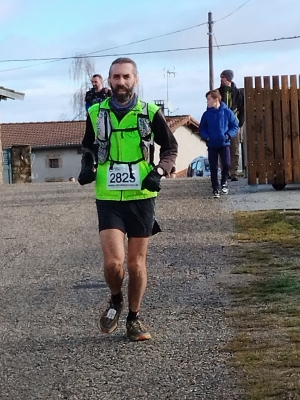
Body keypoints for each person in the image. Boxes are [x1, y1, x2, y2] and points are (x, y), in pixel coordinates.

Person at [78, 57, 178, 341]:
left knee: (135, 265)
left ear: (135, 80)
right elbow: (88, 145)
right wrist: (88, 166)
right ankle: (115, 300)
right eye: (116, 77)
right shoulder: (96, 112)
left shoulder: (149, 112)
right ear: (108, 80)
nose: (120, 82)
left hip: (142, 196)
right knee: (113, 264)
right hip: (108, 196)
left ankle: (134, 318)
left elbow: (170, 147)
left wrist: (160, 171)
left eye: (126, 77)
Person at [199, 90, 239, 198]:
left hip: (224, 143)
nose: (207, 102)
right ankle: (215, 188)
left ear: (216, 99)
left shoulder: (227, 112)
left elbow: (235, 125)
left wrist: (228, 135)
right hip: (212, 145)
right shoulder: (206, 114)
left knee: (227, 164)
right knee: (213, 167)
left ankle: (224, 182)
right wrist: (206, 137)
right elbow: (202, 128)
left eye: (209, 99)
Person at [218, 69, 244, 181]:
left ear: (228, 78)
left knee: (234, 148)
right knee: (222, 148)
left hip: (234, 124)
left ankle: (234, 172)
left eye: (223, 77)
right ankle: (225, 171)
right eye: (221, 78)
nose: (221, 80)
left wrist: (240, 123)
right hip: (221, 125)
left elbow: (242, 108)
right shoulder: (218, 92)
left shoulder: (237, 93)